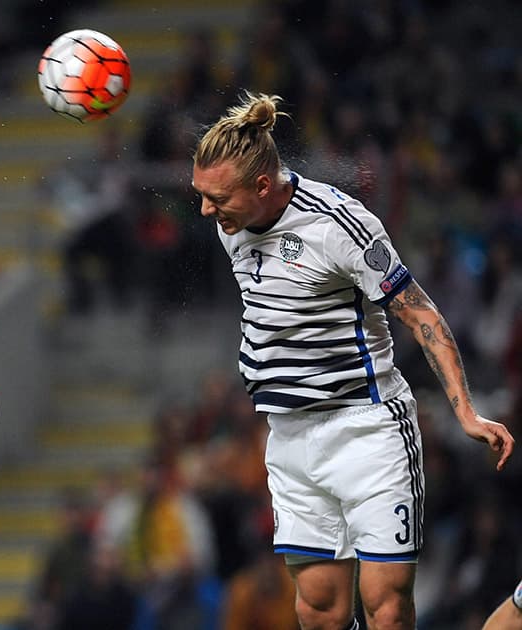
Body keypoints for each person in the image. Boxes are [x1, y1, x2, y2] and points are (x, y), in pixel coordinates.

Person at [189, 91, 515, 629]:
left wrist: (465, 412)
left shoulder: (339, 225)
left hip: (367, 430)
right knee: (319, 610)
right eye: (200, 194)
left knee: (384, 608)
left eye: (216, 197)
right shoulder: (232, 224)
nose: (204, 210)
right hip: (290, 438)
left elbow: (421, 315)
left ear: (262, 186)